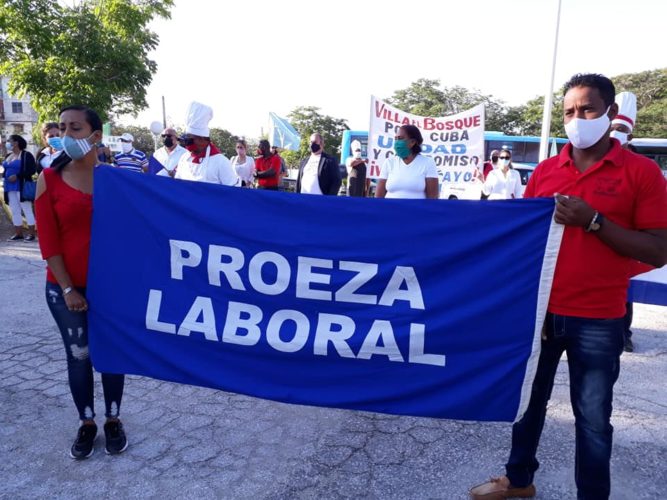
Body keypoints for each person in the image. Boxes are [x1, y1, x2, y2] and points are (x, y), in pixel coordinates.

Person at [470, 73, 667, 500]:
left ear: (610, 113)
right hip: (540, 313)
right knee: (528, 403)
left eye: (587, 109)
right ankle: (519, 480)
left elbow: (658, 250)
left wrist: (594, 221)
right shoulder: (545, 171)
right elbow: (522, 243)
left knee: (593, 418)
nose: (577, 119)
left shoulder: (642, 172)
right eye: (569, 112)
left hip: (599, 318)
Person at [34, 105, 128, 459]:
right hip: (64, 288)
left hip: (110, 288)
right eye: (62, 128)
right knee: (79, 356)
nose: (66, 135)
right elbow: (49, 242)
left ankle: (113, 420)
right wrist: (68, 288)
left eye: (75, 128)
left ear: (96, 135)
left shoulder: (115, 181)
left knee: (112, 355)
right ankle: (86, 423)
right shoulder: (49, 179)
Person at [610, 91, 639, 352]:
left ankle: (624, 334)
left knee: (625, 293)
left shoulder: (641, 169)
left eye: (620, 130)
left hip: (625, 243)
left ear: (629, 135)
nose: (614, 133)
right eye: (612, 128)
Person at [175, 101, 240, 186]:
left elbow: (233, 190)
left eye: (190, 139)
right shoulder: (183, 159)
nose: (187, 144)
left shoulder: (221, 162)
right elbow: (177, 185)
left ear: (202, 139)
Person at [375, 125, 438, 199]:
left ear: (412, 142)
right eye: (396, 139)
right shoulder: (389, 162)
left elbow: (432, 197)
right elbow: (378, 196)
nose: (397, 142)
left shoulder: (428, 162)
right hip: (390, 206)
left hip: (417, 206)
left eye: (400, 138)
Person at [3, 134, 37, 241]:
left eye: (9, 141)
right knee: (14, 210)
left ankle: (31, 234)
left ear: (16, 142)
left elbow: (32, 170)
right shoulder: (8, 155)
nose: (7, 143)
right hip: (9, 187)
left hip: (22, 186)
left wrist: (17, 176)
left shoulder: (26, 155)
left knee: (27, 209)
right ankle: (18, 233)